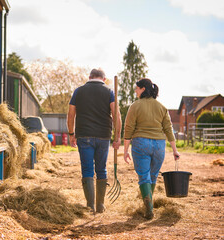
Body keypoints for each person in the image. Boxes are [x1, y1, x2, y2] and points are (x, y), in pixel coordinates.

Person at [123, 78, 180, 219]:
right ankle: (149, 203)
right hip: (159, 145)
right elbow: (168, 129)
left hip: (141, 143)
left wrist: (125, 150)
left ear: (143, 89)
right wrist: (175, 150)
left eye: (137, 88)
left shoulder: (135, 106)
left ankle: (148, 207)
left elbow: (128, 129)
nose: (135, 91)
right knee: (153, 176)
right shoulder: (161, 107)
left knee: (144, 177)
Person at [67, 68, 121, 213]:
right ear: (104, 79)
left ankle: (90, 205)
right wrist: (118, 137)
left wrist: (71, 133)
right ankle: (101, 205)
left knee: (87, 169)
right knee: (101, 169)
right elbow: (116, 115)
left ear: (89, 77)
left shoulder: (79, 91)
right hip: (104, 136)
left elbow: (71, 114)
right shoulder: (109, 91)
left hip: (84, 135)